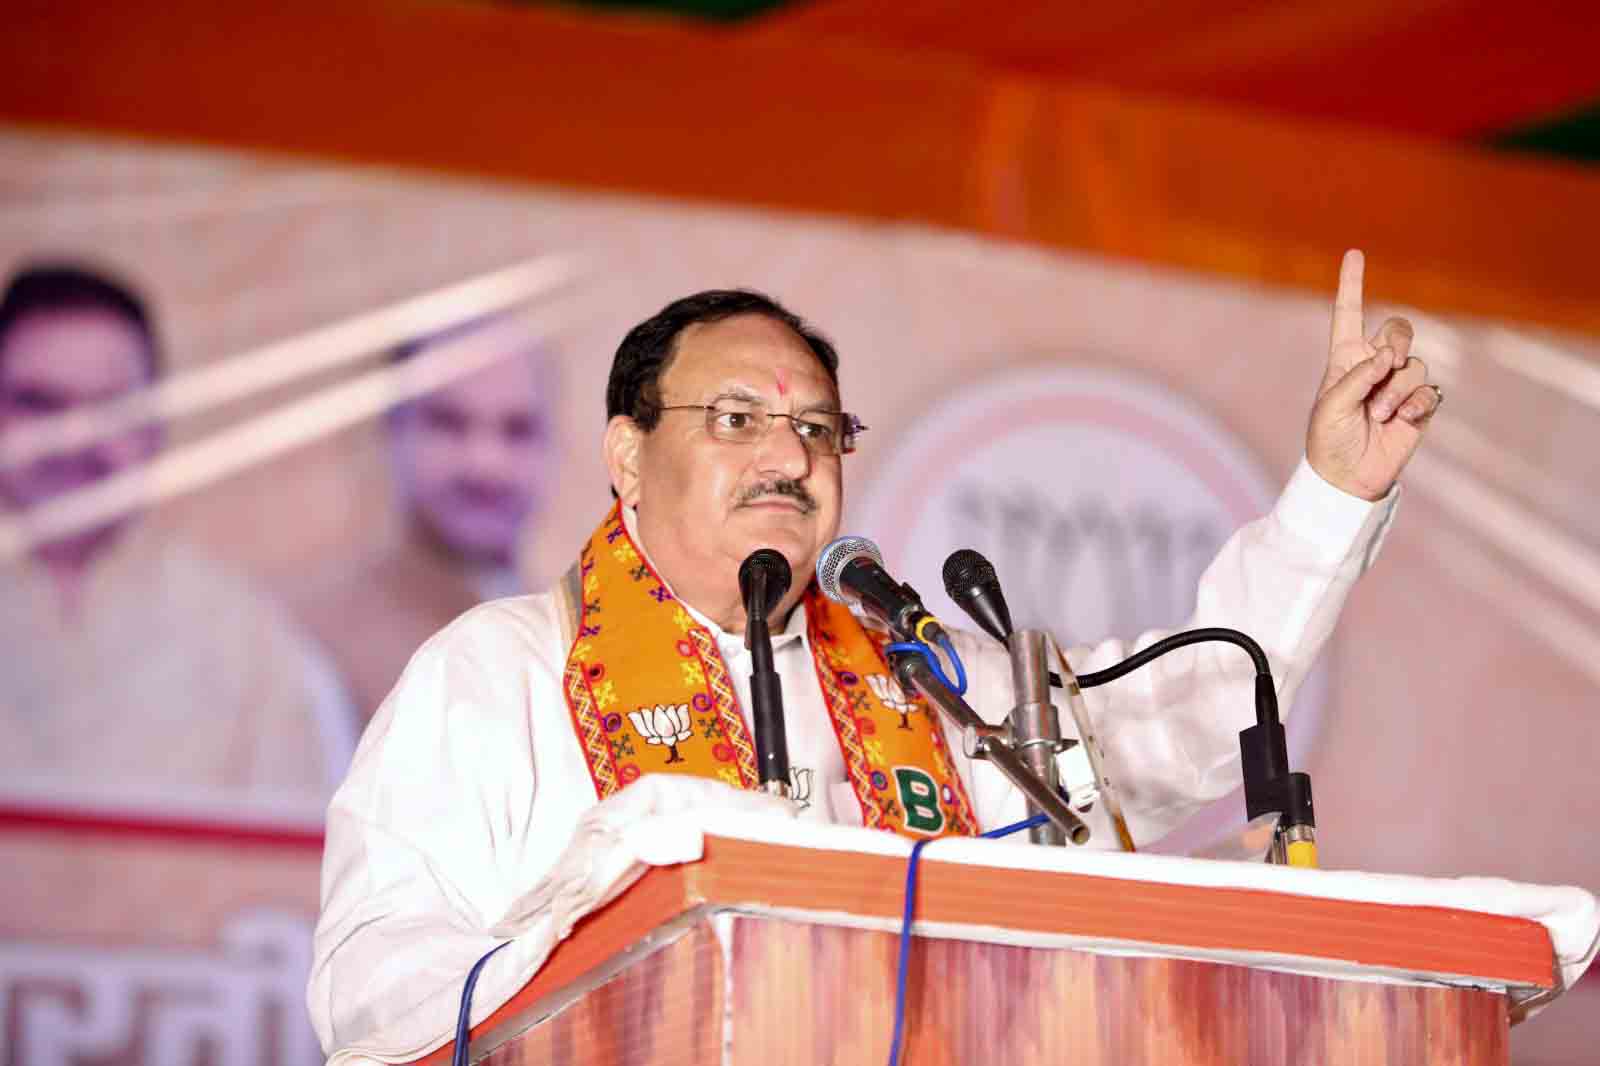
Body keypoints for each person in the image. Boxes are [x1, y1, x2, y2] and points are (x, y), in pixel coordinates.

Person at [309, 251, 1440, 1056]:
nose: (788, 458)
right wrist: (599, 908)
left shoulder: (937, 677)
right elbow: (368, 989)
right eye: (736, 418)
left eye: (815, 429)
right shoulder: (497, 673)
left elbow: (1186, 716)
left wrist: (1333, 495)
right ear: (625, 452)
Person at [0, 262, 353, 811]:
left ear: (156, 427)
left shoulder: (251, 644)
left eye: (110, 408)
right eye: (39, 403)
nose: (74, 438)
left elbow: (293, 876)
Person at [298, 319, 555, 721]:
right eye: (448, 423)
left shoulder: (588, 644)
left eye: (517, 430)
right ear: (391, 431)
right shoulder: (311, 647)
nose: (485, 463)